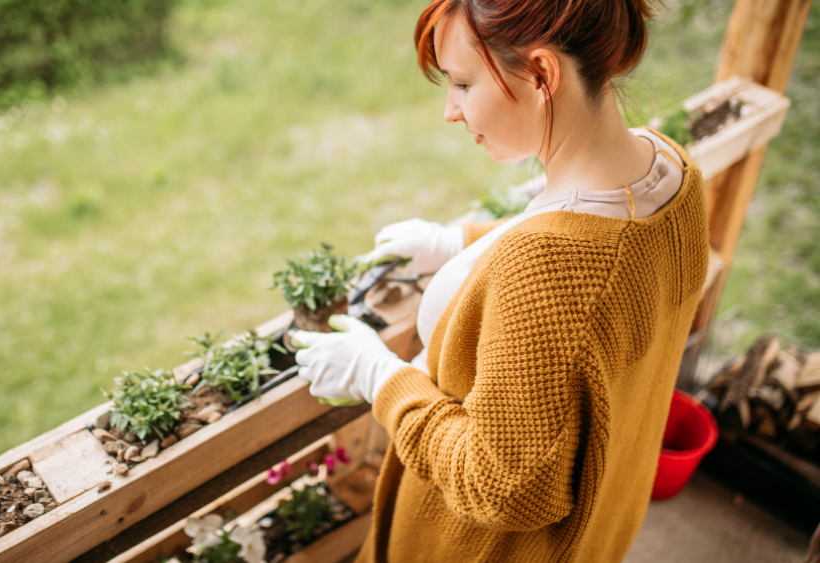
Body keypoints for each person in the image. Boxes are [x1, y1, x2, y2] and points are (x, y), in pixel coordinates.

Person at [291, 0, 710, 562]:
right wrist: (461, 244)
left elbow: (501, 485)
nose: (450, 110)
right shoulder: (671, 175)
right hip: (605, 523)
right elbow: (598, 251)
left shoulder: (547, 271)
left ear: (542, 74)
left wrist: (380, 377)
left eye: (463, 83)